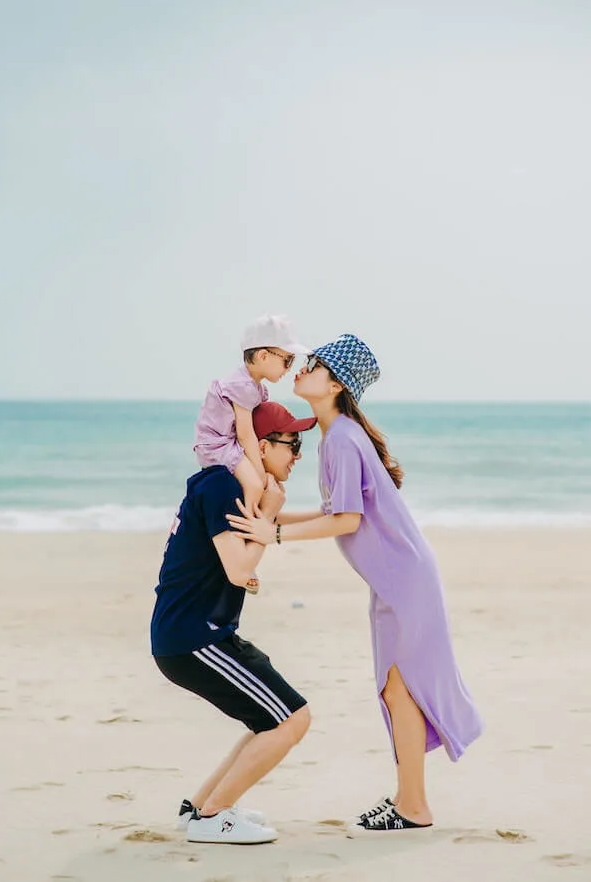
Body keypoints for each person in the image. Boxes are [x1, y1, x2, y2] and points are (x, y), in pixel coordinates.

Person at [227, 334, 484, 835]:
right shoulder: (335, 436)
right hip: (395, 582)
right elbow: (333, 513)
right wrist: (271, 516)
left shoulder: (343, 438)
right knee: (397, 692)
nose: (301, 368)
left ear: (336, 384)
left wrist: (273, 533)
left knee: (399, 690)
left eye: (314, 365)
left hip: (405, 581)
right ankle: (410, 800)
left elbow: (346, 520)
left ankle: (413, 806)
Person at [151, 401, 317, 844]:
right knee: (291, 720)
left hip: (197, 635)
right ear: (261, 446)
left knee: (272, 720)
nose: (298, 454)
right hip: (193, 639)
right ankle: (213, 817)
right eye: (292, 444)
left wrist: (336, 517)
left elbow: (270, 523)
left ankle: (200, 809)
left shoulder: (225, 485)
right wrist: (267, 514)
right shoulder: (222, 486)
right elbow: (241, 570)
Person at [193, 314, 310, 517]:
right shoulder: (243, 386)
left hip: (226, 444)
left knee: (254, 483)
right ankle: (250, 524)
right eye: (287, 360)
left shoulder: (254, 387)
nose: (289, 369)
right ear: (263, 356)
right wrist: (261, 475)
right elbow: (245, 434)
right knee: (255, 486)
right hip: (217, 445)